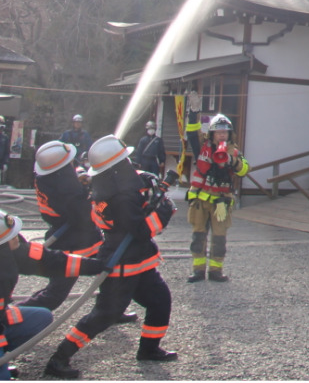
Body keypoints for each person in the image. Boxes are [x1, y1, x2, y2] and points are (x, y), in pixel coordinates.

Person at [43, 134, 178, 379]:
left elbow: (132, 190)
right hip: (122, 265)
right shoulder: (122, 197)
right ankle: (59, 358)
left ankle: (149, 349)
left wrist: (147, 183)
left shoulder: (106, 187)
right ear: (117, 167)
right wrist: (164, 210)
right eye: (126, 161)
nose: (131, 165)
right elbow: (141, 230)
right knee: (104, 315)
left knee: (160, 301)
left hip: (138, 263)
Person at [23, 141, 137, 324]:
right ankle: (16, 315)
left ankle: (110, 311)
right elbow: (83, 214)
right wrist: (91, 196)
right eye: (69, 162)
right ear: (61, 168)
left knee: (109, 273)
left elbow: (72, 176)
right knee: (56, 292)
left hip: (83, 237)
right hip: (72, 241)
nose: (73, 164)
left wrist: (81, 178)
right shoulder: (66, 188)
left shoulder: (48, 177)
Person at [0, 209, 106, 380]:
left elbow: (51, 261)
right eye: (11, 235)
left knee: (40, 317)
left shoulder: (10, 252)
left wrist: (97, 265)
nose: (17, 237)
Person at [185, 113, 249, 283]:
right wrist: (193, 114)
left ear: (230, 134)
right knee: (198, 236)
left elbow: (244, 170)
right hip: (201, 201)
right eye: (218, 131)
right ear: (212, 133)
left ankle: (216, 271)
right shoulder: (202, 147)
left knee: (219, 238)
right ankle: (198, 271)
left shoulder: (234, 151)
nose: (222, 134)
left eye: (225, 132)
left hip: (221, 202)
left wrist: (231, 160)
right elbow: (192, 133)